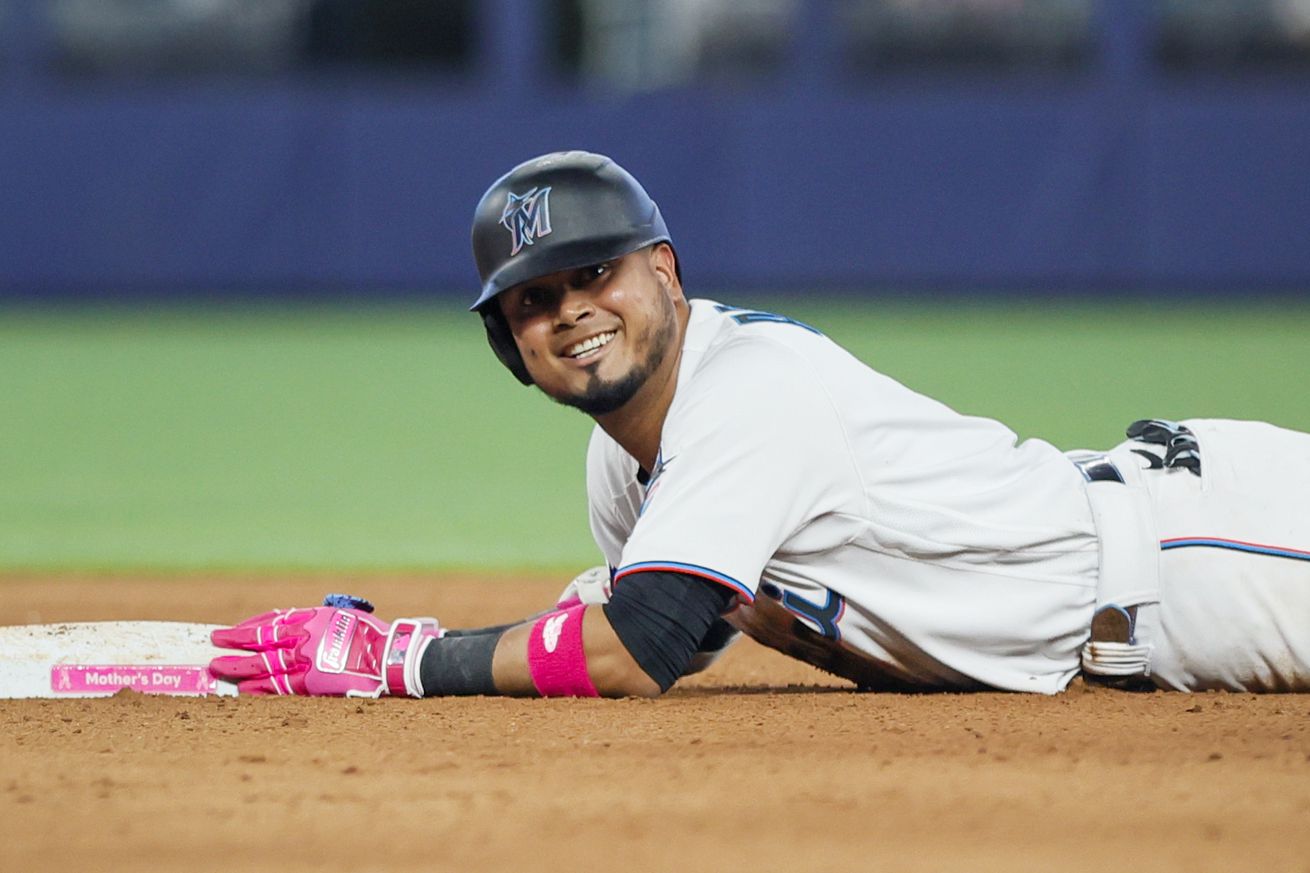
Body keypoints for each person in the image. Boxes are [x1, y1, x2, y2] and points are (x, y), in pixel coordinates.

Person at [208, 150, 1310, 698]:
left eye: (592, 274)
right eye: (532, 302)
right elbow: (677, 627)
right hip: (1144, 611)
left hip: (1211, 549)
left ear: (664, 273)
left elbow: (635, 650)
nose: (569, 314)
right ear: (510, 345)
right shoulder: (620, 463)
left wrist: (402, 660)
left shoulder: (747, 390)